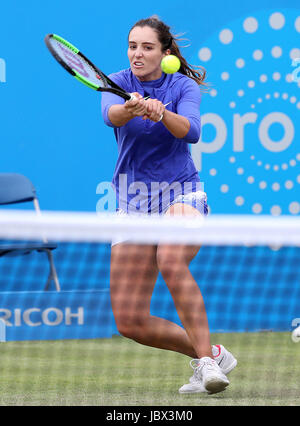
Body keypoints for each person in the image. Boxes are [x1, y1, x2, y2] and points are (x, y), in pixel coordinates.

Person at [101, 16, 237, 394]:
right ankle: (210, 353)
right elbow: (110, 114)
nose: (138, 54)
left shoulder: (181, 86)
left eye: (147, 47)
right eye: (133, 46)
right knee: (130, 321)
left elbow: (191, 130)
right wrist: (132, 108)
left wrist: (162, 112)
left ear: (165, 53)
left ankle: (207, 366)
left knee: (171, 260)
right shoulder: (116, 82)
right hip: (133, 201)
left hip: (180, 193)